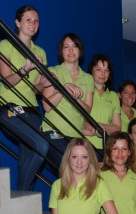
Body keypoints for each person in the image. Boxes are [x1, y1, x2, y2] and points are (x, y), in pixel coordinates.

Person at [0, 5, 50, 190]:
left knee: (30, 152)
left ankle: (22, 199)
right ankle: (22, 194)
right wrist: (26, 68)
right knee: (40, 146)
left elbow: (36, 90)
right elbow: (7, 81)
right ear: (18, 22)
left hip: (32, 110)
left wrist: (45, 82)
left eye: (36, 20)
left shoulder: (40, 52)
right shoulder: (5, 45)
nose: (33, 24)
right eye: (28, 19)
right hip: (9, 108)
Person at [49, 138, 123, 214]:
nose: (79, 162)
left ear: (90, 160)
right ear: (68, 159)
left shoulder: (99, 184)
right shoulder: (57, 186)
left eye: (84, 157)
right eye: (74, 157)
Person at [41, 32, 94, 167]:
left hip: (76, 136)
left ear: (80, 50)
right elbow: (47, 106)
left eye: (74, 46)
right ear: (61, 51)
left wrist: (75, 98)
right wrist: (63, 89)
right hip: (54, 131)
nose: (71, 50)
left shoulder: (88, 78)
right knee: (69, 168)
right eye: (66, 46)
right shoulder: (53, 72)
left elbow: (87, 110)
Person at [85, 54, 121, 161]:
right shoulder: (84, 90)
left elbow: (117, 127)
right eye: (99, 69)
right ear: (92, 70)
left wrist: (100, 127)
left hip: (106, 147)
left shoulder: (113, 96)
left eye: (106, 70)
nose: (103, 74)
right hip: (85, 145)